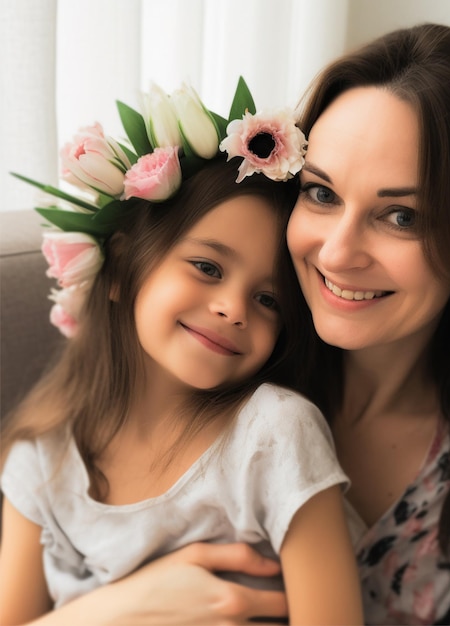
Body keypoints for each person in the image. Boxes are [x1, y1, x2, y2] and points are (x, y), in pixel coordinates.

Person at [3, 23, 450, 625]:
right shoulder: (220, 365)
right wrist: (117, 608)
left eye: (401, 215)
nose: (338, 253)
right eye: (321, 194)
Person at [0, 85, 363, 626]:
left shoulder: (275, 436)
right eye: (208, 268)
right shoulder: (42, 459)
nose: (234, 309)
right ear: (123, 271)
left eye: (268, 300)